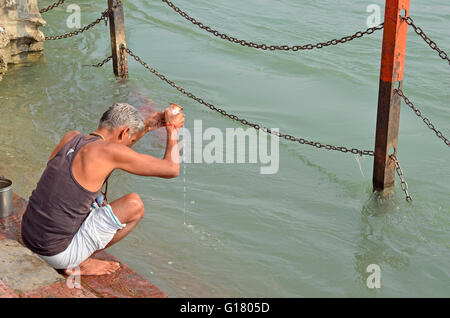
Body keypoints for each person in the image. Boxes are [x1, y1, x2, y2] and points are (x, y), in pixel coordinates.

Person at [21, 102, 184, 275]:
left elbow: (116, 152)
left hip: (28, 234)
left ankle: (74, 252)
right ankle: (80, 262)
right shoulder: (109, 152)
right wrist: (172, 129)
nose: (130, 144)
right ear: (124, 132)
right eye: (132, 139)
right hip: (55, 253)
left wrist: (145, 128)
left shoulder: (71, 137)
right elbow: (171, 169)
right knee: (134, 205)